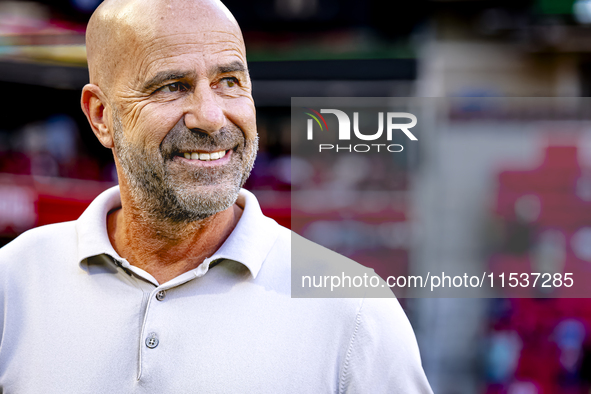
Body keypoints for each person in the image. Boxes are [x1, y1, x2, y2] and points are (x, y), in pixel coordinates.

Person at [0, 0, 433, 392]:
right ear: (101, 117)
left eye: (229, 81)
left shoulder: (355, 311)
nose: (210, 116)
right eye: (171, 86)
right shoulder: (13, 282)